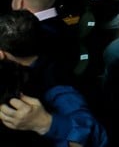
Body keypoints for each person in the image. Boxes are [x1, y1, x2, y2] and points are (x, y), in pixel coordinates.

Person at [0, 11, 108, 147]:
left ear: (1, 54)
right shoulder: (45, 44)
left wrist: (45, 123)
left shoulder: (55, 86)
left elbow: (93, 137)